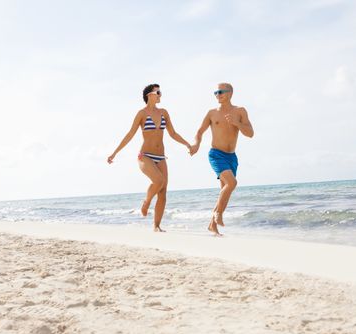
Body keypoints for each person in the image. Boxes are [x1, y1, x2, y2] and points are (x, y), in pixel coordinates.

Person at [108, 84, 194, 232]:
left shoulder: (164, 112)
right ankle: (146, 202)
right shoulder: (141, 114)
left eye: (161, 92)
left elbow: (173, 133)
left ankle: (156, 226)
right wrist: (115, 153)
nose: (160, 95)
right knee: (159, 181)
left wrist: (188, 144)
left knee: (163, 192)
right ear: (149, 95)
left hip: (160, 156)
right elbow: (130, 134)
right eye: (158, 92)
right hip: (145, 156)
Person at [191, 83, 254, 236]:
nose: (217, 95)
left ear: (230, 93)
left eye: (220, 92)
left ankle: (212, 225)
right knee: (232, 183)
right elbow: (199, 131)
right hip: (216, 154)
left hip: (231, 156)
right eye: (215, 93)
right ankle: (218, 215)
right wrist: (196, 144)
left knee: (224, 192)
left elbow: (250, 133)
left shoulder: (240, 111)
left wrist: (237, 123)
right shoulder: (212, 113)